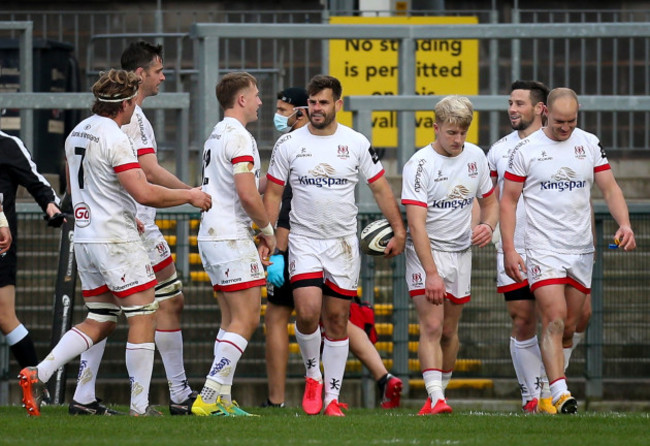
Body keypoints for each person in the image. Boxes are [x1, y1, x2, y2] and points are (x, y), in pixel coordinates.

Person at [18, 69, 212, 417]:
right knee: (144, 314)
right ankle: (140, 407)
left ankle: (39, 372)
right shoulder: (116, 137)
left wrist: (121, 210)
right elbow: (144, 191)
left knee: (102, 317)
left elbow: (89, 183)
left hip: (85, 237)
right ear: (124, 103)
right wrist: (190, 195)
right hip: (114, 239)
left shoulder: (78, 131)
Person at [263, 75, 406, 417]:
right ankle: (313, 375)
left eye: (323, 102)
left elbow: (382, 189)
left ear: (338, 104)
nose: (316, 108)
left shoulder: (356, 143)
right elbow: (270, 192)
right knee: (309, 312)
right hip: (305, 241)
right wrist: (266, 236)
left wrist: (399, 230)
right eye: (312, 102)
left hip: (342, 243)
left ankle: (331, 398)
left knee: (339, 319)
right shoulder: (289, 144)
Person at [69, 40, 197, 416]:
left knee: (107, 311)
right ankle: (167, 397)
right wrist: (191, 193)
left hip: (110, 225)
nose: (163, 76)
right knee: (146, 308)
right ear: (139, 75)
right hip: (130, 225)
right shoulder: (126, 120)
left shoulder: (101, 123)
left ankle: (84, 394)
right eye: (159, 70)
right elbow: (149, 174)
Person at [500, 87, 636, 414]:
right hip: (542, 247)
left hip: (580, 248)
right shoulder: (527, 150)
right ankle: (561, 392)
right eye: (560, 121)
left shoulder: (588, 144)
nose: (565, 128)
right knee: (554, 317)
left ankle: (549, 387)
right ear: (544, 111)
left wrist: (625, 224)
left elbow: (609, 187)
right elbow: (508, 200)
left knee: (573, 324)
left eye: (572, 121)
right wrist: (509, 249)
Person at [401, 95, 498, 415]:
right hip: (426, 253)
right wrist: (430, 272)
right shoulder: (419, 165)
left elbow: (491, 201)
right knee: (431, 325)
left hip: (461, 254)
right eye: (452, 133)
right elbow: (415, 224)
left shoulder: (475, 157)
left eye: (463, 133)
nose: (458, 140)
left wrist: (488, 225)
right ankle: (437, 398)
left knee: (449, 331)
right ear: (436, 128)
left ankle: (437, 397)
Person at [190, 71, 276, 417]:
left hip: (211, 233)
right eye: (255, 95)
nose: (259, 101)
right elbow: (245, 193)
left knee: (229, 321)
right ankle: (208, 396)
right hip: (230, 234)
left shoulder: (216, 134)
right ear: (241, 99)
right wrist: (267, 229)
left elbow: (239, 185)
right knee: (247, 319)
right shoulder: (240, 137)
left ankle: (222, 401)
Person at [487, 80, 556, 414]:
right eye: (510, 103)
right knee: (522, 318)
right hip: (513, 247)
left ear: (540, 109)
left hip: (555, 246)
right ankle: (531, 396)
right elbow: (486, 196)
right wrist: (488, 228)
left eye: (519, 104)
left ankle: (551, 389)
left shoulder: (562, 144)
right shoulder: (499, 149)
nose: (512, 109)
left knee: (562, 321)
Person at [0, 130, 63, 376]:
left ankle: (36, 386)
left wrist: (50, 205)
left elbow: (37, 182)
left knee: (5, 316)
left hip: (2, 244)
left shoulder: (8, 145)